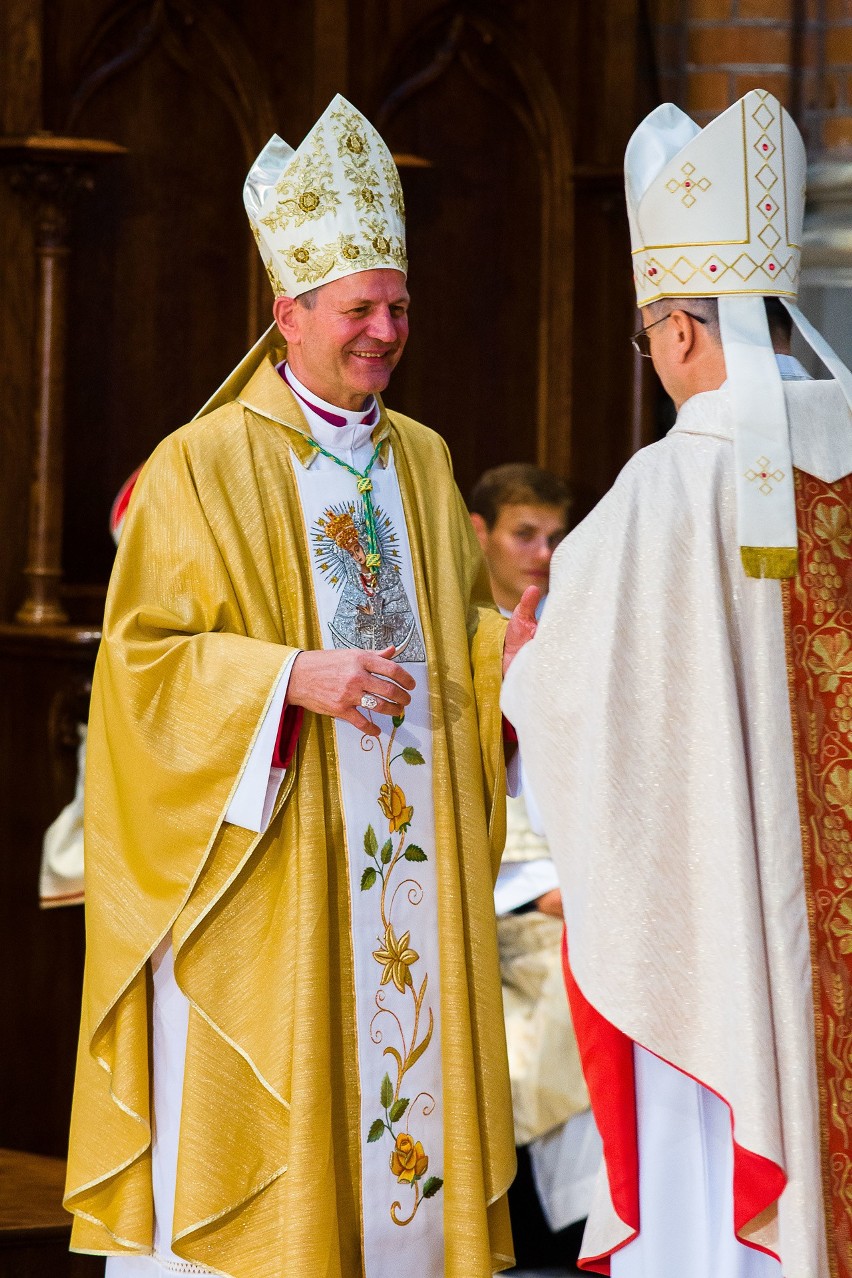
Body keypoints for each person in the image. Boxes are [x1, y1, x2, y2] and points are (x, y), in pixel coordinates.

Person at [64, 95, 538, 1278]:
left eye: (400, 307)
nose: (385, 330)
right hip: (268, 879)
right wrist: (286, 678)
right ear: (290, 313)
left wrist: (508, 657)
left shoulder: (423, 458)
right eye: (360, 308)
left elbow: (455, 636)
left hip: (404, 870)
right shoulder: (202, 461)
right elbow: (143, 669)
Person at [502, 89, 852, 1277]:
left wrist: (523, 671)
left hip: (729, 965)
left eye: (650, 332)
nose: (654, 356)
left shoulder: (664, 490)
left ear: (685, 330)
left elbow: (571, 709)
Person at [470, 465, 601, 1271]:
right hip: (503, 901)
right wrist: (541, 886)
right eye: (526, 534)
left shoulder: (586, 624)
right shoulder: (461, 633)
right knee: (571, 986)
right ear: (480, 532)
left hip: (586, 880)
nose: (545, 554)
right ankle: (563, 1229)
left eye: (557, 537)